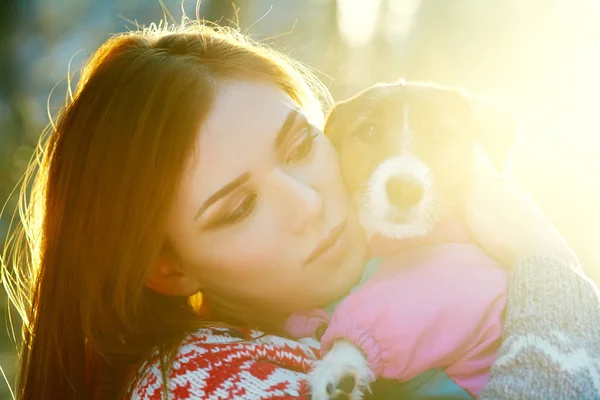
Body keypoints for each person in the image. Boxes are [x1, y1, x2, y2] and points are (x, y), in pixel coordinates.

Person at [2, 22, 599, 400]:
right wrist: (548, 267)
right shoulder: (201, 382)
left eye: (301, 146)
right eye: (239, 207)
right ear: (169, 269)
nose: (309, 203)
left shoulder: (397, 278)